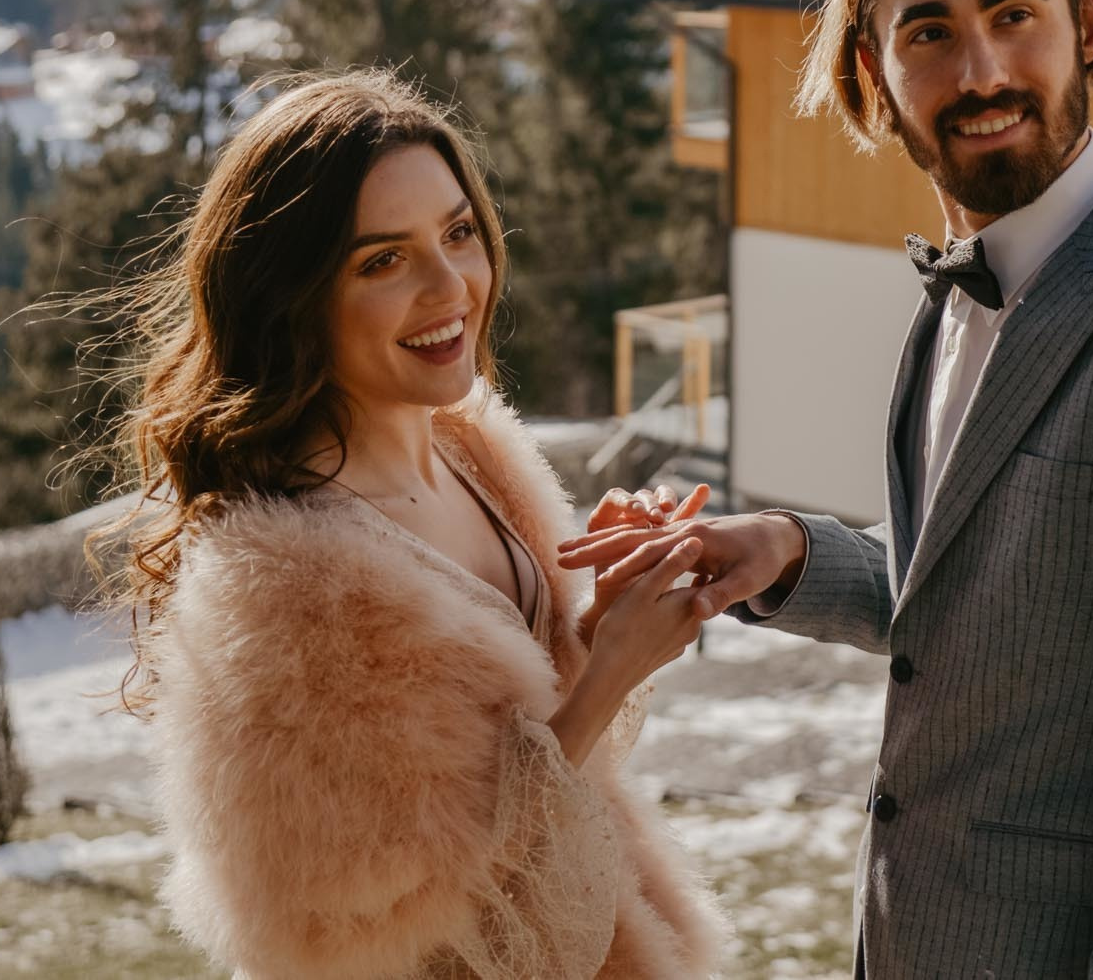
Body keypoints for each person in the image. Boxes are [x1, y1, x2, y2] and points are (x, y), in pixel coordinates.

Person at [563, 0, 1093, 978]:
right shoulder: (957, 298)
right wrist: (785, 552)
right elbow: (982, 601)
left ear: (1086, 23)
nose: (980, 72)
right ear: (873, 78)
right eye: (928, 33)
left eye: (1013, 15)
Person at [104, 70, 726, 980]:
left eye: (459, 232)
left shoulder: (475, 454)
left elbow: (509, 737)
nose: (450, 286)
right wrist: (610, 676)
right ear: (296, 295)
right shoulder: (290, 584)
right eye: (382, 261)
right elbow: (418, 918)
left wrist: (605, 624)